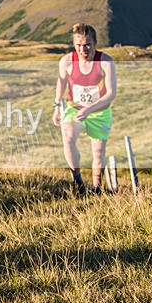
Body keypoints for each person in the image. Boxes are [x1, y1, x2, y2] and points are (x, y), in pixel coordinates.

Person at [53, 23, 117, 194]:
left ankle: (97, 188)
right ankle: (78, 183)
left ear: (95, 43)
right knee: (68, 138)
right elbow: (61, 82)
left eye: (87, 45)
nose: (83, 49)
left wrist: (89, 109)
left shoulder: (105, 61)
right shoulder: (66, 61)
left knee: (98, 152)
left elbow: (111, 94)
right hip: (74, 109)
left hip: (100, 112)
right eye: (79, 45)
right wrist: (57, 106)